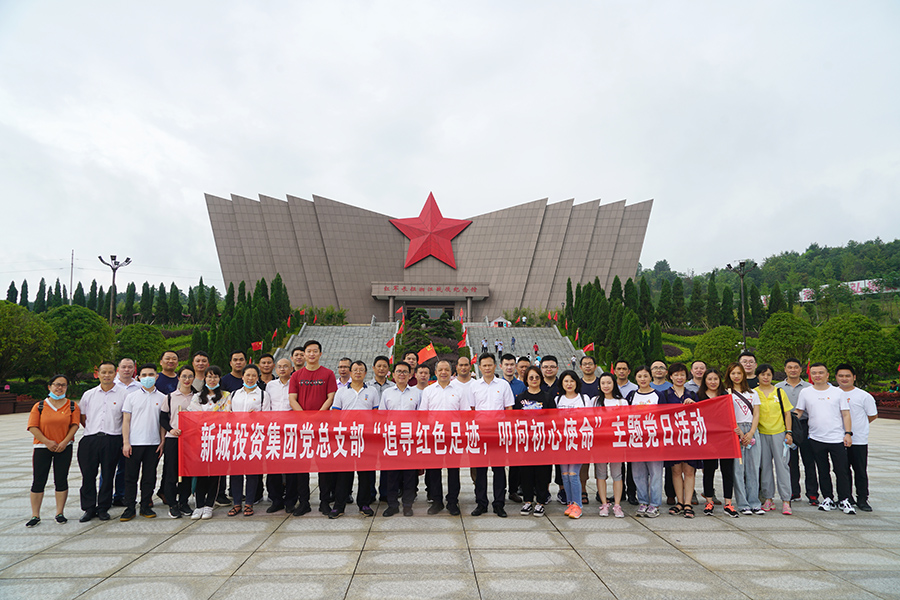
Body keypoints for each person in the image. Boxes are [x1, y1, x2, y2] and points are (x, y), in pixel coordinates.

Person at [794, 363, 854, 514]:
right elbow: (799, 411)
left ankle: (844, 499)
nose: (817, 375)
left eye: (821, 373)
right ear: (810, 375)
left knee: (841, 470)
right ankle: (828, 498)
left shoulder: (838, 392)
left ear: (827, 375)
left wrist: (848, 433)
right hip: (815, 438)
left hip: (837, 438)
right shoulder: (805, 392)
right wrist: (788, 424)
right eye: (814, 373)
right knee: (822, 470)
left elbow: (846, 414)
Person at [288, 340, 337, 515]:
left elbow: (331, 397)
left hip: (322, 427)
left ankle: (325, 502)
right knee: (302, 466)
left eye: (315, 351)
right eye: (308, 351)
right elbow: (292, 399)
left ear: (320, 354)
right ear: (304, 354)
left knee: (324, 466)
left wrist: (317, 416)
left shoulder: (328, 374)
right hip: (302, 428)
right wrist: (304, 417)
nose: (311, 354)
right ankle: (304, 502)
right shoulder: (296, 375)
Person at [25, 374, 80, 527]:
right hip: (42, 447)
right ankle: (35, 515)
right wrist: (47, 442)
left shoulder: (72, 406)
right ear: (50, 386)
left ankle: (59, 513)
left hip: (64, 447)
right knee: (38, 480)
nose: (59, 388)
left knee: (61, 479)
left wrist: (65, 442)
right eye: (56, 384)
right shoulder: (39, 406)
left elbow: (75, 425)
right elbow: (32, 427)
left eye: (63, 385)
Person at [420, 360, 472, 515]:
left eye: (447, 370)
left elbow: (465, 414)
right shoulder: (428, 391)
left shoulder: (459, 391)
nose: (444, 372)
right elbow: (423, 415)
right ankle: (437, 501)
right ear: (435, 372)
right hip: (434, 436)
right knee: (434, 471)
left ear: (451, 372)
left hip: (453, 437)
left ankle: (452, 501)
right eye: (440, 370)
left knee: (453, 471)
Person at [328, 360, 379, 519]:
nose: (358, 372)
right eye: (355, 370)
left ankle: (364, 504)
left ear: (365, 373)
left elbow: (376, 415)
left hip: (365, 438)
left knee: (365, 473)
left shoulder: (372, 391)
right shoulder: (341, 392)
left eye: (361, 370)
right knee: (344, 474)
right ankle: (339, 505)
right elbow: (335, 415)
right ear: (350, 372)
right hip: (346, 439)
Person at [78, 362, 128, 522]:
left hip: (112, 439)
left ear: (116, 373)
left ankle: (103, 508)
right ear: (97, 374)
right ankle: (89, 508)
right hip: (90, 439)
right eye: (103, 372)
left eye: (110, 372)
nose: (107, 375)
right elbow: (82, 417)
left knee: (108, 475)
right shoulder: (89, 394)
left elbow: (126, 419)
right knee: (88, 475)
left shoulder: (124, 394)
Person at [120, 363, 166, 520]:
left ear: (156, 377)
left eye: (151, 375)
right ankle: (130, 507)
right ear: (138, 377)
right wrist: (126, 442)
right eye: (144, 375)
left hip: (153, 444)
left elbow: (162, 422)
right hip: (134, 443)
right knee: (130, 477)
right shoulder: (131, 397)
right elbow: (126, 421)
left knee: (149, 477)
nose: (148, 378)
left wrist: (162, 441)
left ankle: (145, 505)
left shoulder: (163, 398)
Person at [470, 353, 514, 518]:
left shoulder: (503, 385)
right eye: (484, 365)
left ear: (495, 366)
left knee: (499, 470)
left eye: (490, 365)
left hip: (498, 434)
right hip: (481, 433)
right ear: (479, 367)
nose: (487, 368)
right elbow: (472, 409)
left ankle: (499, 504)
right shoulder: (474, 386)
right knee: (480, 471)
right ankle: (481, 503)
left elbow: (509, 409)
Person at [378, 361, 421, 516]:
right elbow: (382, 415)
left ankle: (408, 505)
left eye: (405, 372)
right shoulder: (387, 393)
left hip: (410, 440)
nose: (401, 374)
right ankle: (392, 505)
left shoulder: (417, 393)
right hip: (392, 439)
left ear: (410, 375)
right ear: (393, 375)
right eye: (398, 371)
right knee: (392, 474)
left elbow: (421, 416)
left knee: (410, 475)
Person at [187, 367, 231, 519]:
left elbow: (226, 416)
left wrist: (208, 418)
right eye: (209, 377)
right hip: (201, 440)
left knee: (214, 474)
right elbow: (194, 416)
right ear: (204, 378)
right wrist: (211, 418)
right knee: (201, 474)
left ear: (220, 379)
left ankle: (209, 505)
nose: (212, 380)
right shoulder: (197, 397)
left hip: (218, 439)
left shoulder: (226, 396)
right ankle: (199, 505)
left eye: (215, 377)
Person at [514, 366, 556, 516]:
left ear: (541, 379)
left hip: (543, 443)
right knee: (526, 473)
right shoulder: (520, 398)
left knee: (542, 473)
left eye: (537, 377)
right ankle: (527, 501)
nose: (534, 380)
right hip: (526, 442)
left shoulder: (547, 397)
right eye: (531, 377)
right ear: (526, 380)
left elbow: (554, 419)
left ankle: (540, 502)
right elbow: (515, 419)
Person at [836, 363, 878, 511]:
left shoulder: (864, 396)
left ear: (854, 377)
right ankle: (846, 497)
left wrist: (859, 427)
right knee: (842, 471)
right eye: (841, 376)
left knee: (860, 471)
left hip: (858, 440)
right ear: (836, 377)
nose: (844, 378)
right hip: (837, 439)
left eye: (847, 376)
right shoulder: (833, 393)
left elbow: (872, 415)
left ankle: (862, 499)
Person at [754, 363, 794, 515]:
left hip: (779, 434)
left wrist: (788, 433)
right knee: (765, 467)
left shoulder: (779, 391)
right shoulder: (753, 393)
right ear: (757, 376)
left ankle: (786, 500)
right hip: (761, 434)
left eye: (769, 374)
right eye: (763, 374)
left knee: (782, 467)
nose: (765, 377)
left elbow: (787, 413)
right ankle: (768, 498)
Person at [662, 363, 699, 518]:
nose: (679, 377)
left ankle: (688, 503)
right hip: (672, 438)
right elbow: (660, 415)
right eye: (676, 375)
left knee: (689, 471)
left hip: (689, 438)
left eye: (682, 374)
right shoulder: (664, 395)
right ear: (670, 376)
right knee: (676, 471)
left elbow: (700, 415)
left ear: (686, 376)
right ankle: (680, 502)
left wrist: (693, 405)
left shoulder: (692, 394)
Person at [627, 365, 665, 518]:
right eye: (639, 376)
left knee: (655, 473)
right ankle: (643, 501)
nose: (642, 379)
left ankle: (654, 504)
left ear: (651, 377)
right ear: (635, 378)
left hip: (654, 440)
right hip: (636, 441)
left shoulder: (658, 395)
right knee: (638, 474)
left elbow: (664, 417)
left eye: (645, 376)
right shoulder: (631, 396)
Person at [725, 362, 763, 516]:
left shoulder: (753, 393)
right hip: (735, 430)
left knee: (753, 468)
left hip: (752, 430)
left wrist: (751, 432)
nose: (736, 376)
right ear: (729, 375)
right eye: (733, 373)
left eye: (739, 373)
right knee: (738, 469)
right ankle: (743, 503)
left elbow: (757, 414)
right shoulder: (727, 393)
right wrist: (739, 432)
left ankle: (754, 502)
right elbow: (727, 414)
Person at [776, 358, 815, 504]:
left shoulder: (809, 387)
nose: (793, 370)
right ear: (785, 369)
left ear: (800, 369)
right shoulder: (778, 388)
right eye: (790, 367)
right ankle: (794, 492)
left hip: (805, 426)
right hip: (787, 427)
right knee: (791, 462)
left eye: (796, 367)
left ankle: (812, 494)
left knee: (809, 461)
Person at [159, 366, 196, 518]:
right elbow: (163, 418)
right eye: (184, 376)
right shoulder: (170, 397)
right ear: (179, 378)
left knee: (187, 473)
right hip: (173, 439)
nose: (187, 380)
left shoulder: (197, 397)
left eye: (190, 376)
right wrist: (171, 429)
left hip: (191, 440)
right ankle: (172, 504)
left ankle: (184, 502)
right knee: (171, 472)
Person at [227, 364, 263, 517]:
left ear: (258, 378)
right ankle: (236, 503)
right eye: (247, 375)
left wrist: (257, 417)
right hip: (236, 438)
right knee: (236, 472)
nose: (250, 378)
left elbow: (268, 417)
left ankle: (249, 503)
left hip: (254, 438)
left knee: (252, 472)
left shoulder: (262, 395)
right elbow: (227, 414)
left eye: (254, 375)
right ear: (242, 377)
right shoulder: (234, 394)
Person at [697, 369, 734, 516]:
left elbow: (731, 415)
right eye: (710, 379)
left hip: (725, 438)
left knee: (727, 471)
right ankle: (709, 501)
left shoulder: (726, 395)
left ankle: (728, 503)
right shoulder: (699, 396)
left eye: (716, 379)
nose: (713, 382)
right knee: (709, 470)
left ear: (720, 380)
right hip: (708, 439)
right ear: (705, 381)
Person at [263, 358, 297, 513]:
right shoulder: (270, 385)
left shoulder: (295, 384)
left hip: (291, 430)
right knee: (273, 466)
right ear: (276, 369)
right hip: (274, 430)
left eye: (285, 366)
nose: (282, 369)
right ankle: (276, 499)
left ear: (291, 368)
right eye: (279, 367)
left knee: (291, 466)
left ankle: (290, 500)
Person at [556, 370, 590, 519]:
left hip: (578, 442)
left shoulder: (584, 399)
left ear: (577, 382)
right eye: (566, 381)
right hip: (563, 443)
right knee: (565, 475)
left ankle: (578, 505)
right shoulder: (558, 400)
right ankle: (570, 503)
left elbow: (590, 419)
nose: (569, 384)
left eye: (572, 381)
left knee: (573, 473)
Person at [594, 373, 626, 518]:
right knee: (601, 474)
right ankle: (604, 504)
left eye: (609, 383)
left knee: (617, 474)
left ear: (614, 384)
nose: (606, 386)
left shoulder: (622, 402)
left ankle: (617, 505)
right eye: (603, 383)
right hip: (600, 444)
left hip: (617, 443)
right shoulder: (595, 401)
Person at [111, 358, 140, 508]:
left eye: (130, 367)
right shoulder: (111, 385)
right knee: (108, 468)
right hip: (112, 432)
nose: (127, 370)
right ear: (118, 369)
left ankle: (120, 495)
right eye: (124, 367)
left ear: (134, 369)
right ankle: (105, 498)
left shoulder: (139, 387)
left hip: (131, 433)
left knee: (125, 467)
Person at [614, 359, 638, 505]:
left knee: (632, 464)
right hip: (616, 431)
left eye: (624, 369)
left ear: (629, 371)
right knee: (618, 465)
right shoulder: (610, 386)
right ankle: (620, 493)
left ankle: (632, 493)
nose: (621, 371)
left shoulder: (635, 388)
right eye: (619, 369)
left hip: (631, 430)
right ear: (614, 371)